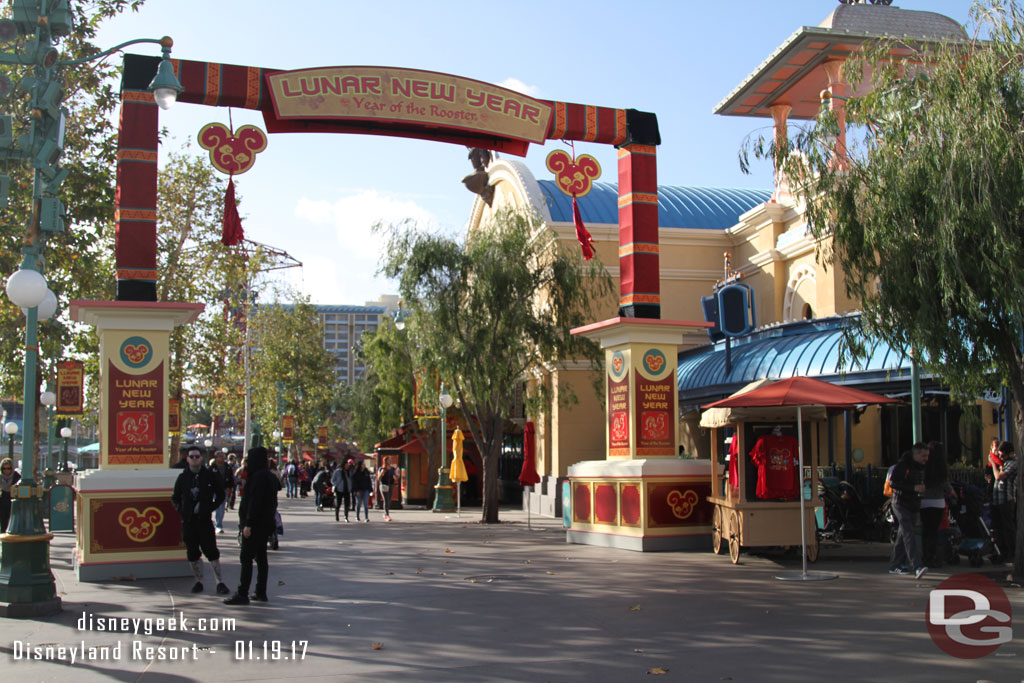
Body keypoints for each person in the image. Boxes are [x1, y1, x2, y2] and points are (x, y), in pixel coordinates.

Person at [225, 446, 280, 605]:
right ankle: (260, 591)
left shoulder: (257, 477)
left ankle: (243, 592)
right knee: (261, 557)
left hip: (255, 524)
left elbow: (254, 503)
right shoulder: (269, 476)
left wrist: (248, 524)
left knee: (246, 557)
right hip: (266, 523)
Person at [171, 447, 229, 595]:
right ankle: (198, 581)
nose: (195, 459)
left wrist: (211, 507)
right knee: (192, 552)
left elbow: (221, 494)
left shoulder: (209, 476)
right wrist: (181, 510)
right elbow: (175, 497)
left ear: (201, 458)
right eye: (192, 456)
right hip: (189, 521)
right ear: (188, 459)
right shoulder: (183, 477)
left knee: (211, 551)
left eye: (197, 456)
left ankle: (220, 582)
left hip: (204, 520)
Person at [887, 443, 930, 579]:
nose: (926, 459)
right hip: (900, 502)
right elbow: (892, 483)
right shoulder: (903, 465)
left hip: (912, 502)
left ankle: (895, 564)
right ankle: (917, 565)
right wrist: (913, 488)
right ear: (915, 454)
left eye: (927, 456)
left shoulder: (920, 467)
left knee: (904, 533)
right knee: (908, 532)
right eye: (923, 456)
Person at [920, 441, 953, 568]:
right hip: (938, 501)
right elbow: (945, 484)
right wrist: (952, 493)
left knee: (926, 530)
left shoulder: (924, 466)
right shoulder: (941, 467)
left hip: (924, 501)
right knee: (933, 531)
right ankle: (932, 556)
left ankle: (925, 556)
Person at [992, 440, 1017, 563]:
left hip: (1006, 499)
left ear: (1009, 453)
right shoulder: (1005, 463)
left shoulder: (1013, 463)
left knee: (1008, 527)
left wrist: (993, 463)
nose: (1000, 457)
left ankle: (1011, 552)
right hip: (998, 500)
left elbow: (999, 476)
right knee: (999, 528)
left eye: (1002, 455)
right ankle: (1002, 551)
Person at [210, 450, 235, 534]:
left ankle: (218, 525)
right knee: (212, 507)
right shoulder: (212, 468)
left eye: (223, 456)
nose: (222, 457)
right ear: (216, 458)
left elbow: (231, 478)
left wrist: (230, 487)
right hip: (212, 490)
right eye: (220, 456)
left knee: (220, 508)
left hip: (223, 490)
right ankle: (211, 525)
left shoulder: (227, 467)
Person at [0, 457, 21, 533]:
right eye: (4, 469)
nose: (6, 470)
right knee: (3, 520)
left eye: (8, 468)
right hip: (2, 500)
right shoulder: (0, 477)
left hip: (13, 501)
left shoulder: (16, 476)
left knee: (12, 520)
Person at [376, 456, 396, 521]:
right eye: (388, 460)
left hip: (391, 485)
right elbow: (378, 478)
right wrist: (382, 473)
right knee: (386, 499)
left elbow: (395, 477)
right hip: (384, 485)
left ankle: (386, 513)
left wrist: (396, 476)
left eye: (390, 460)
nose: (390, 461)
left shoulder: (392, 468)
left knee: (389, 500)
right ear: (385, 461)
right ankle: (386, 514)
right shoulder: (381, 468)